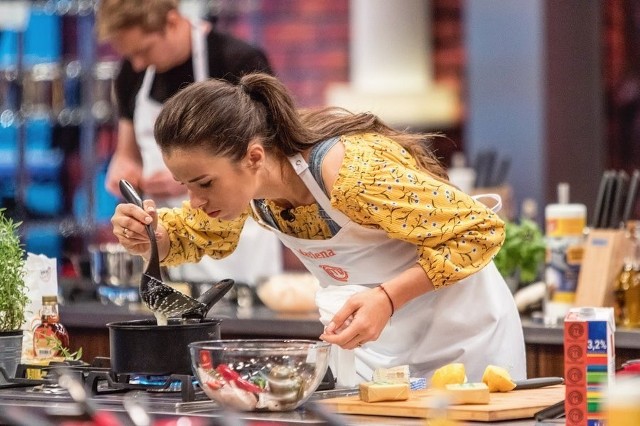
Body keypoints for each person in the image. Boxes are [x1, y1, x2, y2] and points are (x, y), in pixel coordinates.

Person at [111, 72, 527, 386]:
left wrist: (386, 297)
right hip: (381, 349)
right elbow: (197, 233)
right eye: (185, 186)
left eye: (204, 183)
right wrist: (154, 237)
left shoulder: (350, 172)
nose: (195, 200)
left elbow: (480, 231)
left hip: (467, 341)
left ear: (253, 157)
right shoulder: (254, 189)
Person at [96, 0, 282, 284]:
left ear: (171, 22)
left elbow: (270, 153)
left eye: (144, 50)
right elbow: (127, 155)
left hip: (240, 234)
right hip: (172, 233)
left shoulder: (238, 60)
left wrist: (188, 180)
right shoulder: (131, 74)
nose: (138, 63)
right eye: (130, 55)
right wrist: (126, 174)